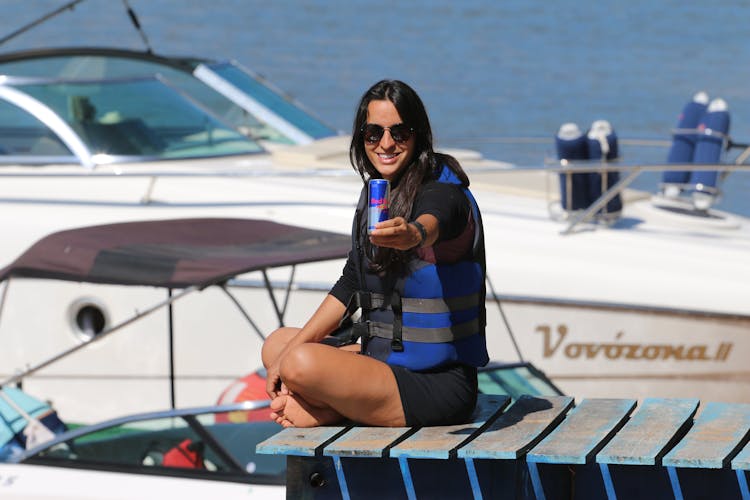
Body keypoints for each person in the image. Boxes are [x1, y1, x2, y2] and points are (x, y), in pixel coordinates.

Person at [262, 79, 488, 428]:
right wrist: (289, 353)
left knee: (298, 364)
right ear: (360, 137)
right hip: (381, 358)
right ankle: (326, 410)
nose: (386, 144)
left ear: (419, 135)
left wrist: (414, 234)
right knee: (278, 346)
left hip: (439, 383)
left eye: (400, 132)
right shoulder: (378, 196)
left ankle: (325, 412)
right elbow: (351, 283)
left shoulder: (444, 191)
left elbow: (439, 217)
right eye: (373, 133)